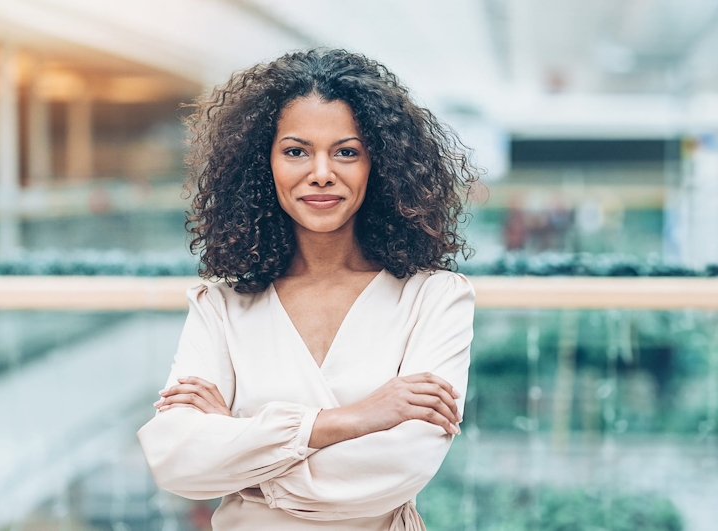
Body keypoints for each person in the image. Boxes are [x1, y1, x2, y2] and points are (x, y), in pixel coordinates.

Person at [137, 48, 477, 531]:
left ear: (378, 164)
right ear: (264, 164)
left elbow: (401, 466)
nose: (321, 172)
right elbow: (175, 460)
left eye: (346, 152)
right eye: (296, 151)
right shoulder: (222, 305)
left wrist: (239, 452)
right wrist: (354, 419)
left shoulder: (435, 298)